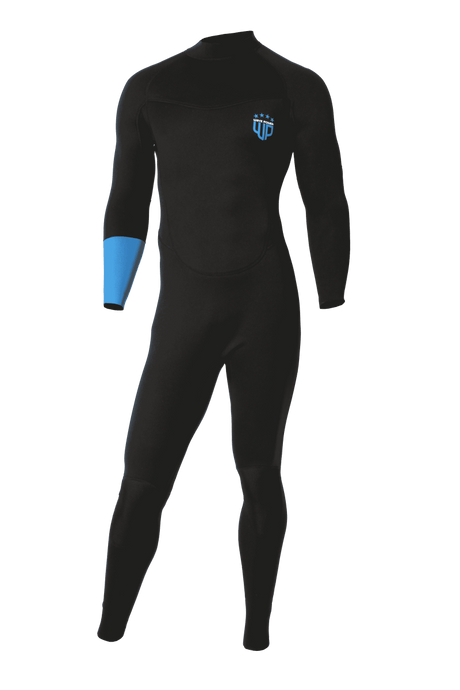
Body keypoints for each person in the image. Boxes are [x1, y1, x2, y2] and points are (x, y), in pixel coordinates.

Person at [96, 28, 351, 652]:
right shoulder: (149, 88)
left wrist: (332, 288)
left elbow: (325, 200)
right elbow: (126, 197)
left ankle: (256, 635)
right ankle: (110, 629)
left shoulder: (297, 86)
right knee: (141, 480)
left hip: (265, 309)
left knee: (259, 472)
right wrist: (113, 290)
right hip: (182, 315)